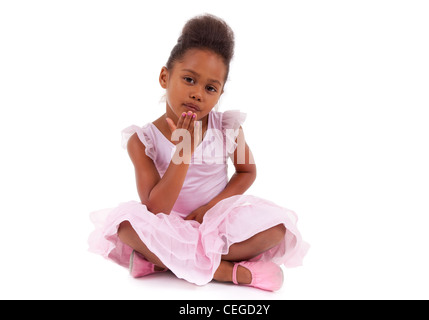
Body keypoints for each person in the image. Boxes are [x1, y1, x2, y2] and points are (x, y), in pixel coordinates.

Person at [88, 14, 309, 291]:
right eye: (189, 79)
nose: (197, 94)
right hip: (168, 225)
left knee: (278, 230)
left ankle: (161, 262)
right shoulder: (142, 140)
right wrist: (183, 152)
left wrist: (210, 209)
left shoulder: (226, 128)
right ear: (165, 77)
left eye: (210, 88)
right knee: (125, 227)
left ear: (220, 94)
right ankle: (227, 272)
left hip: (215, 221)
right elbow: (155, 209)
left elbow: (247, 171)